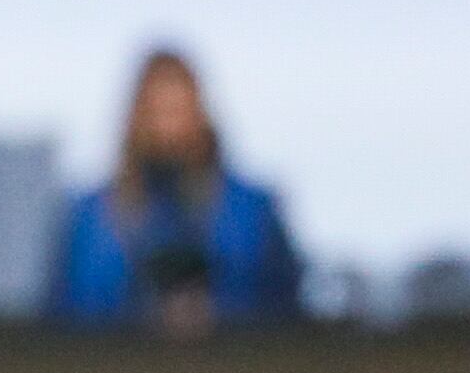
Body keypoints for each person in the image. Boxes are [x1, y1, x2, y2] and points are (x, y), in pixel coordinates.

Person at [47, 46, 302, 331]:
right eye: (155, 112)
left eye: (177, 111)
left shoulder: (251, 212)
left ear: (200, 115)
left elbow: (289, 313)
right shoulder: (91, 219)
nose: (168, 128)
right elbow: (59, 317)